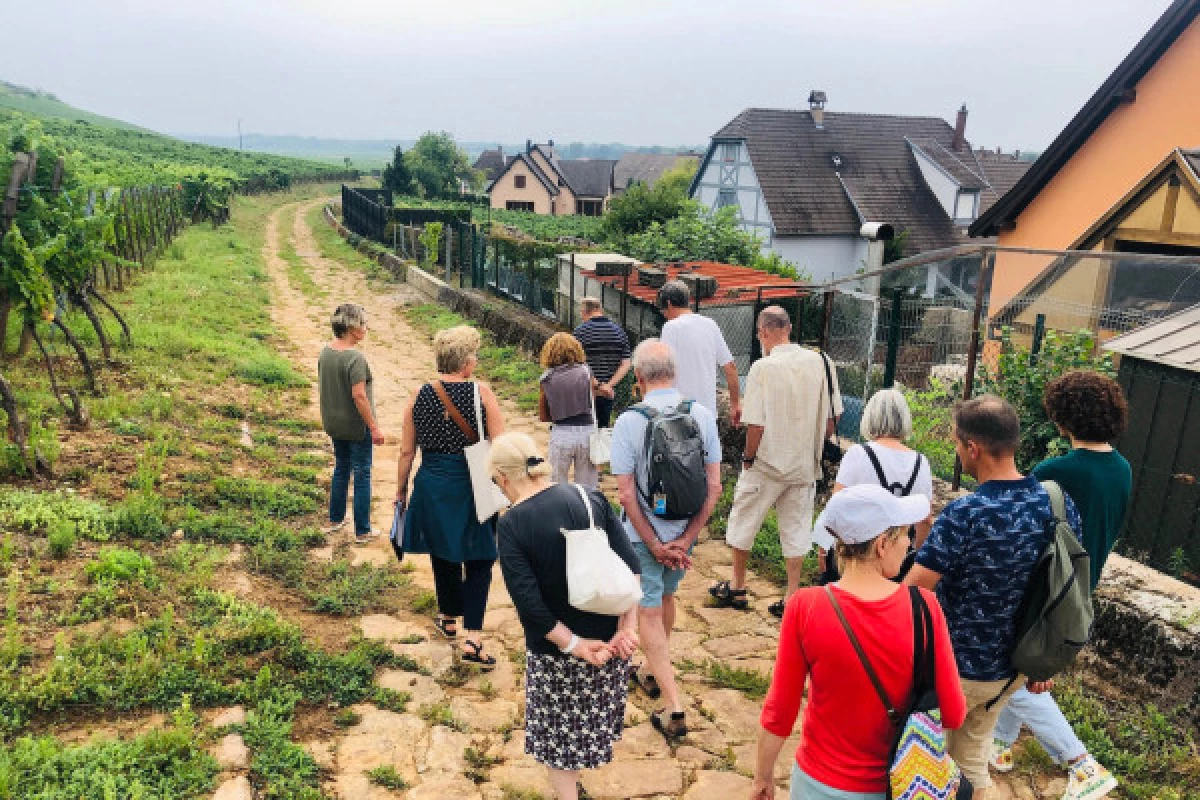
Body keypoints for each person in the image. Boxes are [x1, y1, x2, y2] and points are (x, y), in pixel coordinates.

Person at [906, 395, 1083, 799]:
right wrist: (1045, 662)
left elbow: (914, 592)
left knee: (918, 761)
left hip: (952, 671)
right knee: (971, 760)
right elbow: (1064, 587)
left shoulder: (967, 513)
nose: (957, 452)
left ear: (973, 448)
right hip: (1011, 670)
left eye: (955, 443)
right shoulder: (1057, 505)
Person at [751, 485, 966, 800]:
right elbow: (953, 714)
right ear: (882, 544)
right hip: (892, 787)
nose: (909, 544)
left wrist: (763, 777)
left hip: (816, 784)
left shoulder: (804, 606)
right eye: (905, 535)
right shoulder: (924, 608)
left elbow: (779, 710)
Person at [991, 371, 1129, 800]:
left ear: (1063, 417)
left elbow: (1025, 527)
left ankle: (1081, 763)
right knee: (1022, 669)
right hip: (1082, 589)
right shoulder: (1122, 469)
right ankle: (999, 746)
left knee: (1013, 674)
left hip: (1044, 589)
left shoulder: (1056, 470)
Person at [492, 432, 640, 800]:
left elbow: (531, 606)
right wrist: (628, 626)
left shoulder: (512, 524)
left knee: (557, 742)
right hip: (608, 642)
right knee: (583, 730)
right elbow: (631, 565)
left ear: (504, 477)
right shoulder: (586, 495)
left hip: (558, 651)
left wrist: (573, 645)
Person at [611, 339, 722, 740]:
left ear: (638, 378)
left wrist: (654, 544)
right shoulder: (703, 415)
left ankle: (674, 705)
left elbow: (625, 493)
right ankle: (650, 670)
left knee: (649, 612)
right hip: (683, 534)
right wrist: (687, 537)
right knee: (667, 600)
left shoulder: (629, 421)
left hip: (643, 536)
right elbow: (714, 488)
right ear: (674, 373)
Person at [709, 306, 842, 617]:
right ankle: (792, 595)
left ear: (763, 332)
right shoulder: (822, 363)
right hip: (804, 465)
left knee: (744, 520)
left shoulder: (763, 368)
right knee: (796, 528)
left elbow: (755, 424)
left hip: (767, 463)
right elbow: (832, 420)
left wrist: (748, 457)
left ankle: (738, 585)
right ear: (790, 327)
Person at [396, 325, 505, 668]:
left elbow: (405, 451)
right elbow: (500, 446)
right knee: (480, 557)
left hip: (432, 481)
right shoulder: (481, 393)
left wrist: (401, 490)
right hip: (473, 482)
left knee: (442, 551)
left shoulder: (419, 393)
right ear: (467, 363)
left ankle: (447, 618)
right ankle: (473, 637)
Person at [816, 389, 934, 582]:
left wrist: (823, 549)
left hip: (857, 555)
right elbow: (924, 521)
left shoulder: (858, 454)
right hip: (897, 558)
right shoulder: (921, 463)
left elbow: (835, 509)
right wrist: (915, 557)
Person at [318, 303, 386, 544]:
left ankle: (335, 519)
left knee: (341, 467)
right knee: (362, 473)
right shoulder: (355, 358)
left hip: (334, 423)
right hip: (356, 427)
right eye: (363, 324)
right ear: (352, 328)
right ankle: (363, 530)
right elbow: (359, 395)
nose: (366, 328)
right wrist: (374, 427)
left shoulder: (325, 352)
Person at [657, 280, 741, 424]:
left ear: (669, 304)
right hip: (708, 415)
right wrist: (735, 405)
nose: (664, 314)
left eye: (662, 309)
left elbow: (663, 371)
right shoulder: (710, 324)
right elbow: (731, 368)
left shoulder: (671, 327)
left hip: (679, 415)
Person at [538, 333, 599, 489]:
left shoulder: (546, 379)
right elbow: (592, 402)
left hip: (561, 434)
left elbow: (543, 416)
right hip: (587, 433)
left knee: (556, 486)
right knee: (588, 487)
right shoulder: (586, 372)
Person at [573, 297, 632, 428]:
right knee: (603, 431)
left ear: (584, 311)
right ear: (600, 310)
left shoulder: (579, 332)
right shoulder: (619, 332)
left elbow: (576, 364)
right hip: (608, 393)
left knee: (585, 431)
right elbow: (626, 363)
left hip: (586, 391)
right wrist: (608, 386)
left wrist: (597, 385)